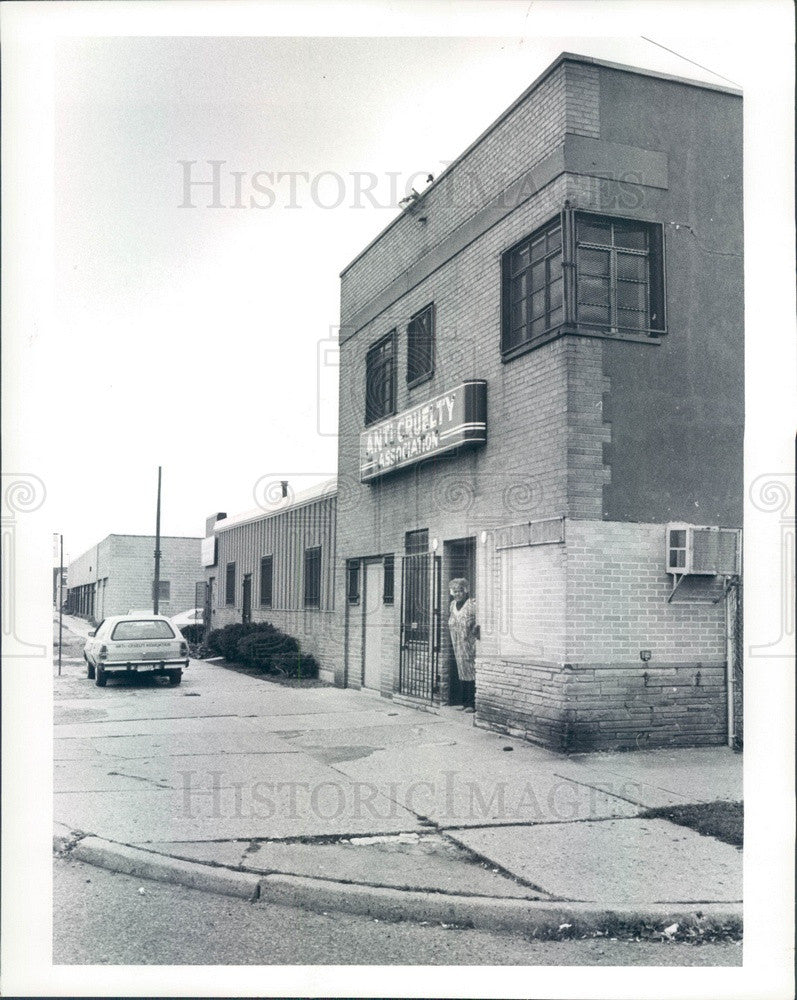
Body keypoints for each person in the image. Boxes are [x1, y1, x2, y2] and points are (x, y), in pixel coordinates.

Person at [448, 577, 478, 712]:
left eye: (460, 591)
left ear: (465, 591)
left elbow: (479, 621)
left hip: (469, 644)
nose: (457, 594)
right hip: (457, 644)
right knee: (461, 671)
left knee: (470, 671)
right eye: (455, 591)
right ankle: (463, 702)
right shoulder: (452, 605)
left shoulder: (472, 604)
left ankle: (472, 703)